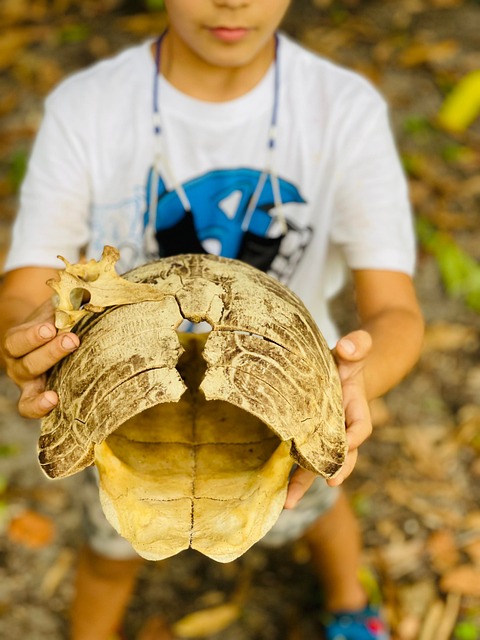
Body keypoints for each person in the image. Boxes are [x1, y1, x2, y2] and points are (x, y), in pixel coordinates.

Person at [0, 1, 424, 639]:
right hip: (123, 406)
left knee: (320, 511)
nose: (233, 1)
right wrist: (29, 334)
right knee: (111, 552)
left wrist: (347, 387)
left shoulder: (342, 112)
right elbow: (25, 288)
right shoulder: (89, 108)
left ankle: (349, 606)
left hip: (278, 403)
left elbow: (397, 312)